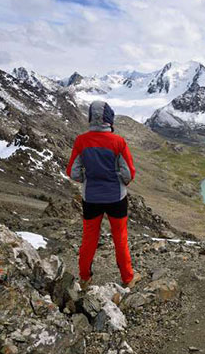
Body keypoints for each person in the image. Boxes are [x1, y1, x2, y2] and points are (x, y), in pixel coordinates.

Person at [66, 101, 141, 289]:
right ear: (109, 118)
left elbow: (73, 172)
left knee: (89, 238)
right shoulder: (118, 142)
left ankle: (84, 278)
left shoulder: (81, 141)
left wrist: (88, 178)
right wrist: (116, 180)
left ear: (91, 117)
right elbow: (128, 173)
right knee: (120, 237)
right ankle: (128, 278)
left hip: (90, 198)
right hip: (116, 198)